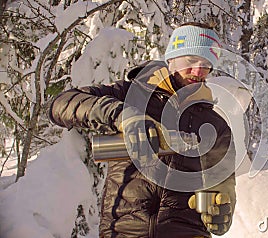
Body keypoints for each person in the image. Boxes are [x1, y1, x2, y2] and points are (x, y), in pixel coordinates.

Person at [49, 22, 236, 238]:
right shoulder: (130, 94)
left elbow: (223, 184)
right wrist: (123, 116)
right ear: (172, 58)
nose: (198, 71)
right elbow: (60, 105)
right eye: (191, 60)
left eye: (206, 64)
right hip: (123, 231)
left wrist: (221, 210)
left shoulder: (216, 125)